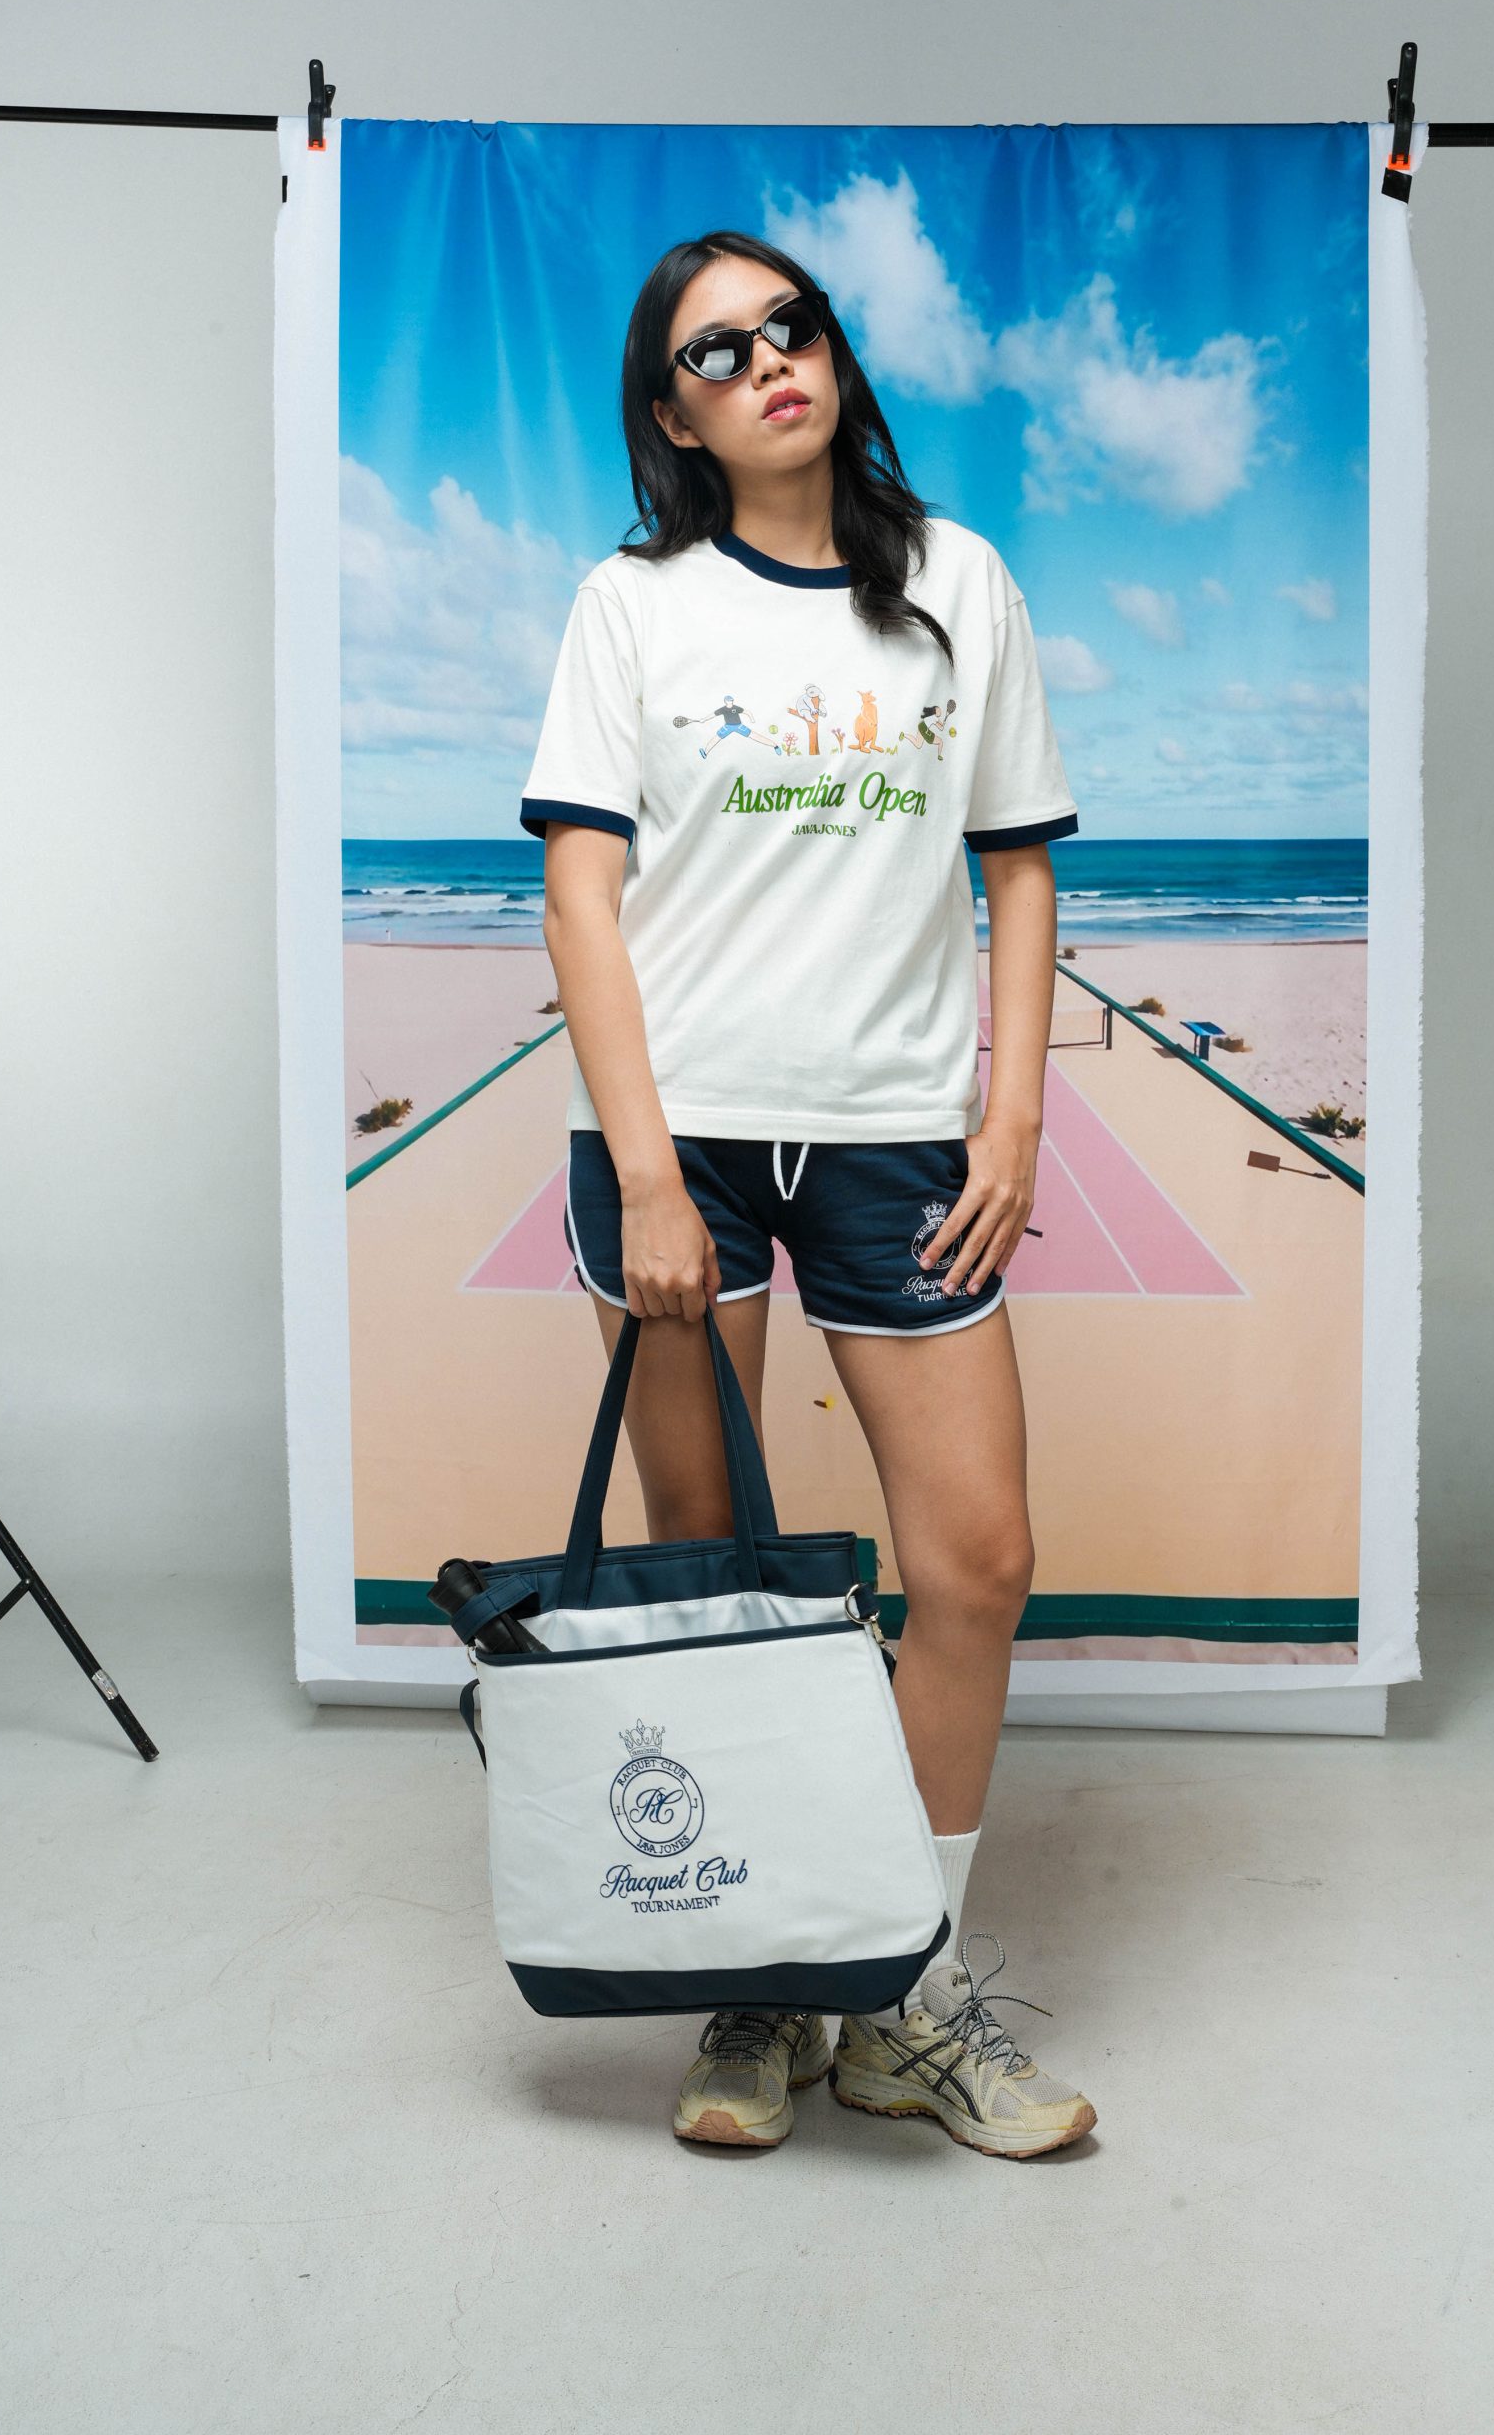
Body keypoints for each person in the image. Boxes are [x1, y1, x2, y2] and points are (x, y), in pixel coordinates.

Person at [519, 229, 1097, 2162]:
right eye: (719, 349)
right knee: (720, 1579)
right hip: (674, 1142)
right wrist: (649, 1175)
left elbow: (1017, 868)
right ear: (673, 413)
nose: (771, 358)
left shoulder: (961, 584)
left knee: (976, 1564)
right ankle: (764, 1980)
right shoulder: (631, 606)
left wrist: (1011, 1122)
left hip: (897, 1135)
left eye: (793, 324)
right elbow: (580, 892)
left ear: (833, 354)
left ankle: (903, 1991)